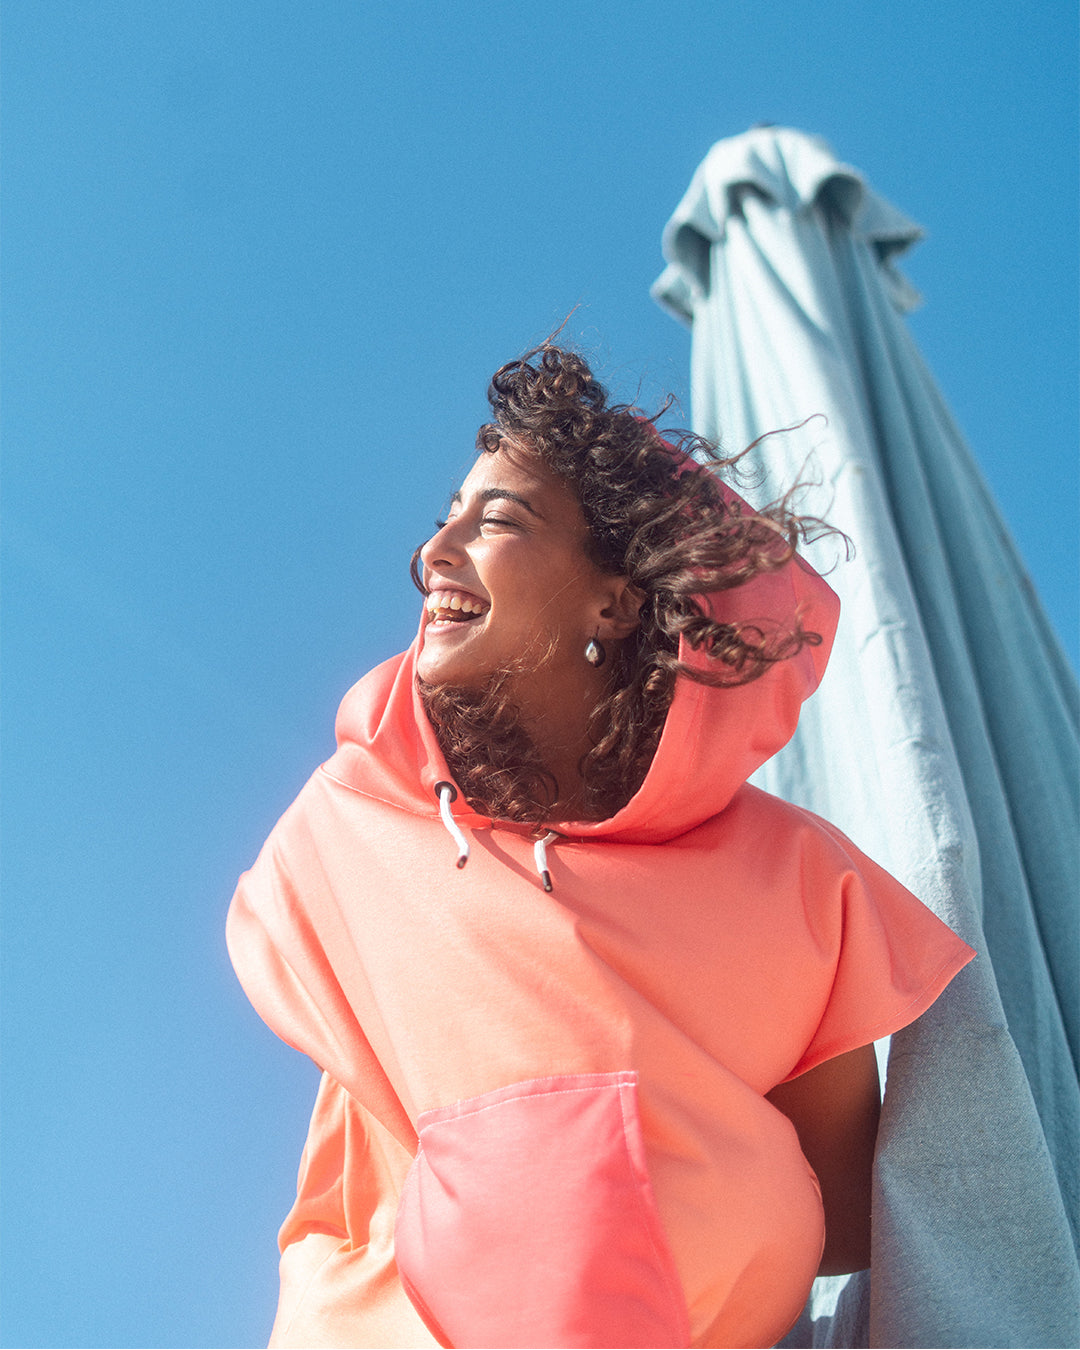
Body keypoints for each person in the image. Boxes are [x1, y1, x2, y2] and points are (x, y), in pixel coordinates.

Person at [227, 343, 975, 1349]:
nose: (435, 551)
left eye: (497, 520)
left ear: (617, 601)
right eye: (445, 517)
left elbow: (845, 1208)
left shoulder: (799, 879)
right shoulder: (356, 826)